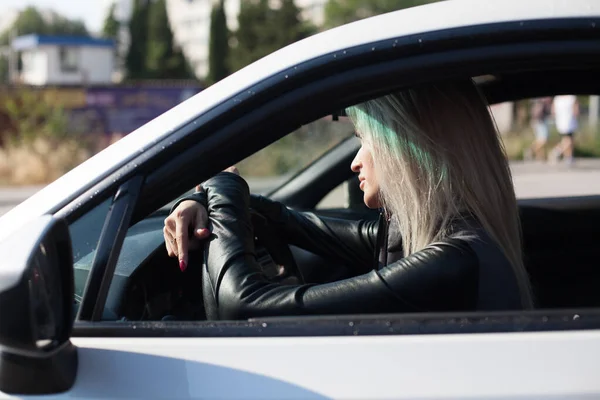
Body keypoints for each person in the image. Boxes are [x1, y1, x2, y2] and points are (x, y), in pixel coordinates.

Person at [163, 79, 534, 320]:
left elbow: (244, 306)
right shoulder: (448, 235)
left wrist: (220, 180)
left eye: (364, 139)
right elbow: (293, 222)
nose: (355, 160)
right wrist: (206, 200)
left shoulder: (450, 264)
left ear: (409, 147)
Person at [549, 95, 579, 165]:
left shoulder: (557, 98)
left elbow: (553, 111)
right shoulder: (572, 97)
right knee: (569, 140)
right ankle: (556, 152)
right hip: (569, 122)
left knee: (566, 140)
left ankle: (568, 157)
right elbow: (576, 111)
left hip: (560, 122)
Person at [525, 97, 552, 161]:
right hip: (541, 121)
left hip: (536, 121)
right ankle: (530, 150)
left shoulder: (536, 101)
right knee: (543, 140)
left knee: (539, 140)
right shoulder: (543, 101)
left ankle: (540, 157)